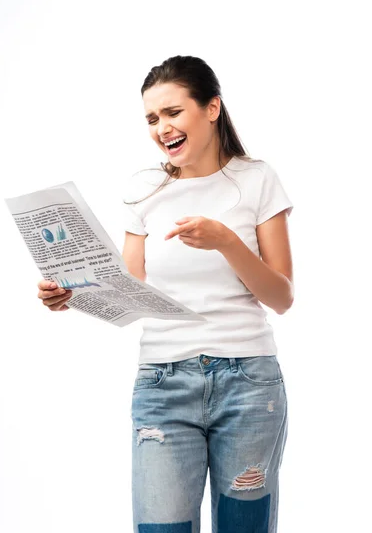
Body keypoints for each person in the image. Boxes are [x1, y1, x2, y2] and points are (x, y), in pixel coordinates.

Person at [37, 55, 294, 532]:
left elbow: (281, 297)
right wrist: (70, 296)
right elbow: (127, 289)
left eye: (173, 112)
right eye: (152, 118)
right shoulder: (144, 189)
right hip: (161, 384)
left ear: (211, 108)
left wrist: (227, 242)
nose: (162, 128)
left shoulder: (257, 178)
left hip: (249, 383)